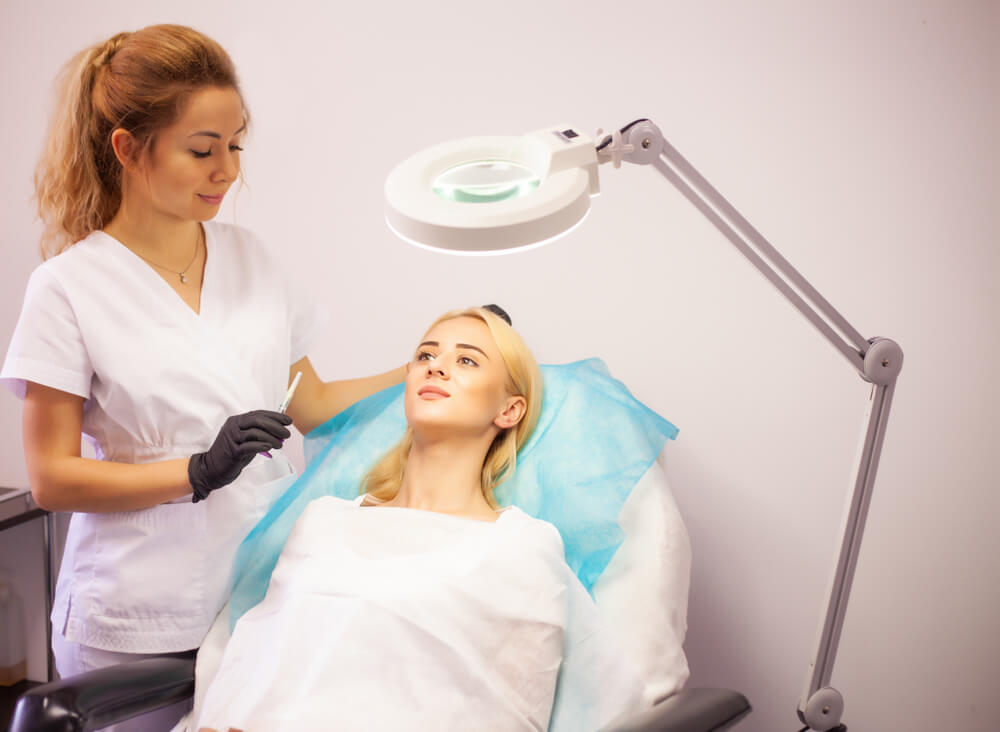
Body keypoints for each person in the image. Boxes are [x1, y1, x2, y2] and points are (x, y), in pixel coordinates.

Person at [0, 24, 402, 730]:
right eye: (202, 150)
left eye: (236, 145)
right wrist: (194, 470)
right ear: (128, 149)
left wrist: (423, 362)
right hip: (137, 621)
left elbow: (314, 406)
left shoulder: (251, 259)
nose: (227, 170)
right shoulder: (68, 288)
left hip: (259, 600)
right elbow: (53, 478)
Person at [188, 307, 644, 732]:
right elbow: (256, 660)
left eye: (467, 361)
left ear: (510, 410)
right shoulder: (322, 521)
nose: (437, 366)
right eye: (426, 354)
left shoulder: (522, 544)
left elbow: (509, 708)